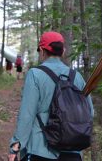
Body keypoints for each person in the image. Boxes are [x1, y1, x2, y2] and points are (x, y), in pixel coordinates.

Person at [8, 31, 94, 161]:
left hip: (40, 150)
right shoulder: (77, 76)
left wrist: (15, 147)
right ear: (63, 51)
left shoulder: (35, 74)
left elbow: (27, 114)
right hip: (73, 152)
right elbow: (90, 112)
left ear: (42, 51)